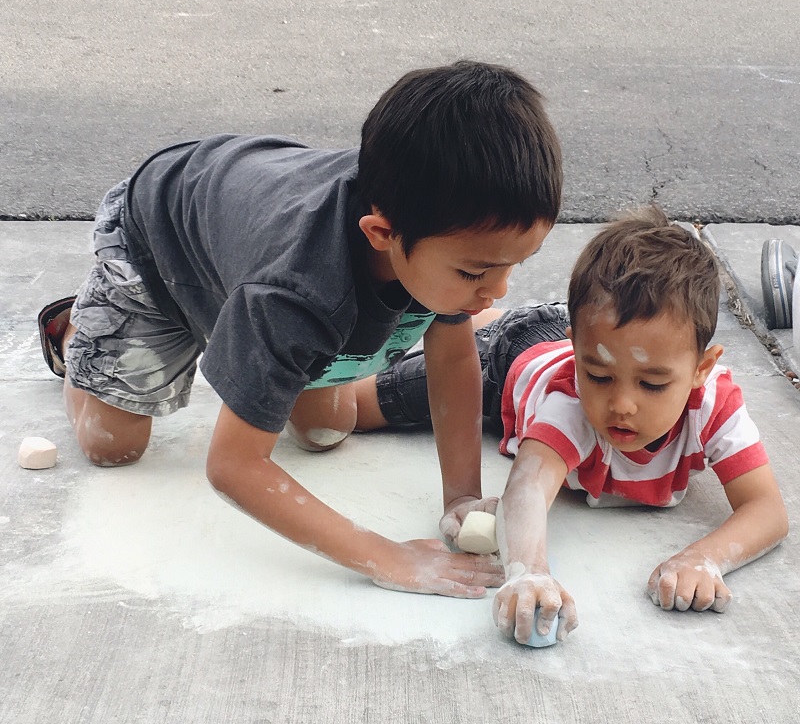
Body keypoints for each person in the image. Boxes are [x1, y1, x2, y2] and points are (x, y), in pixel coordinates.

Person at [37, 60, 563, 599]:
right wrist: (388, 559)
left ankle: (242, 346)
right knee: (113, 446)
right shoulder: (297, 293)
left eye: (513, 266)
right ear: (382, 232)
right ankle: (80, 333)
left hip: (248, 244)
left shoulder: (447, 235)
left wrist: (461, 499)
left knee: (326, 429)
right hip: (158, 244)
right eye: (477, 272)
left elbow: (452, 360)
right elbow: (234, 467)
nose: (498, 291)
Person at [353, 207, 788, 641]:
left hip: (579, 334)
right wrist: (528, 574)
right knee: (342, 415)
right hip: (505, 365)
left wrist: (704, 558)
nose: (621, 405)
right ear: (577, 353)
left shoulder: (714, 404)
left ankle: (512, 319)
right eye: (599, 377)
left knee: (566, 341)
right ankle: (493, 324)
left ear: (702, 368)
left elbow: (767, 509)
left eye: (652, 384)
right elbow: (525, 489)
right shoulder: (572, 401)